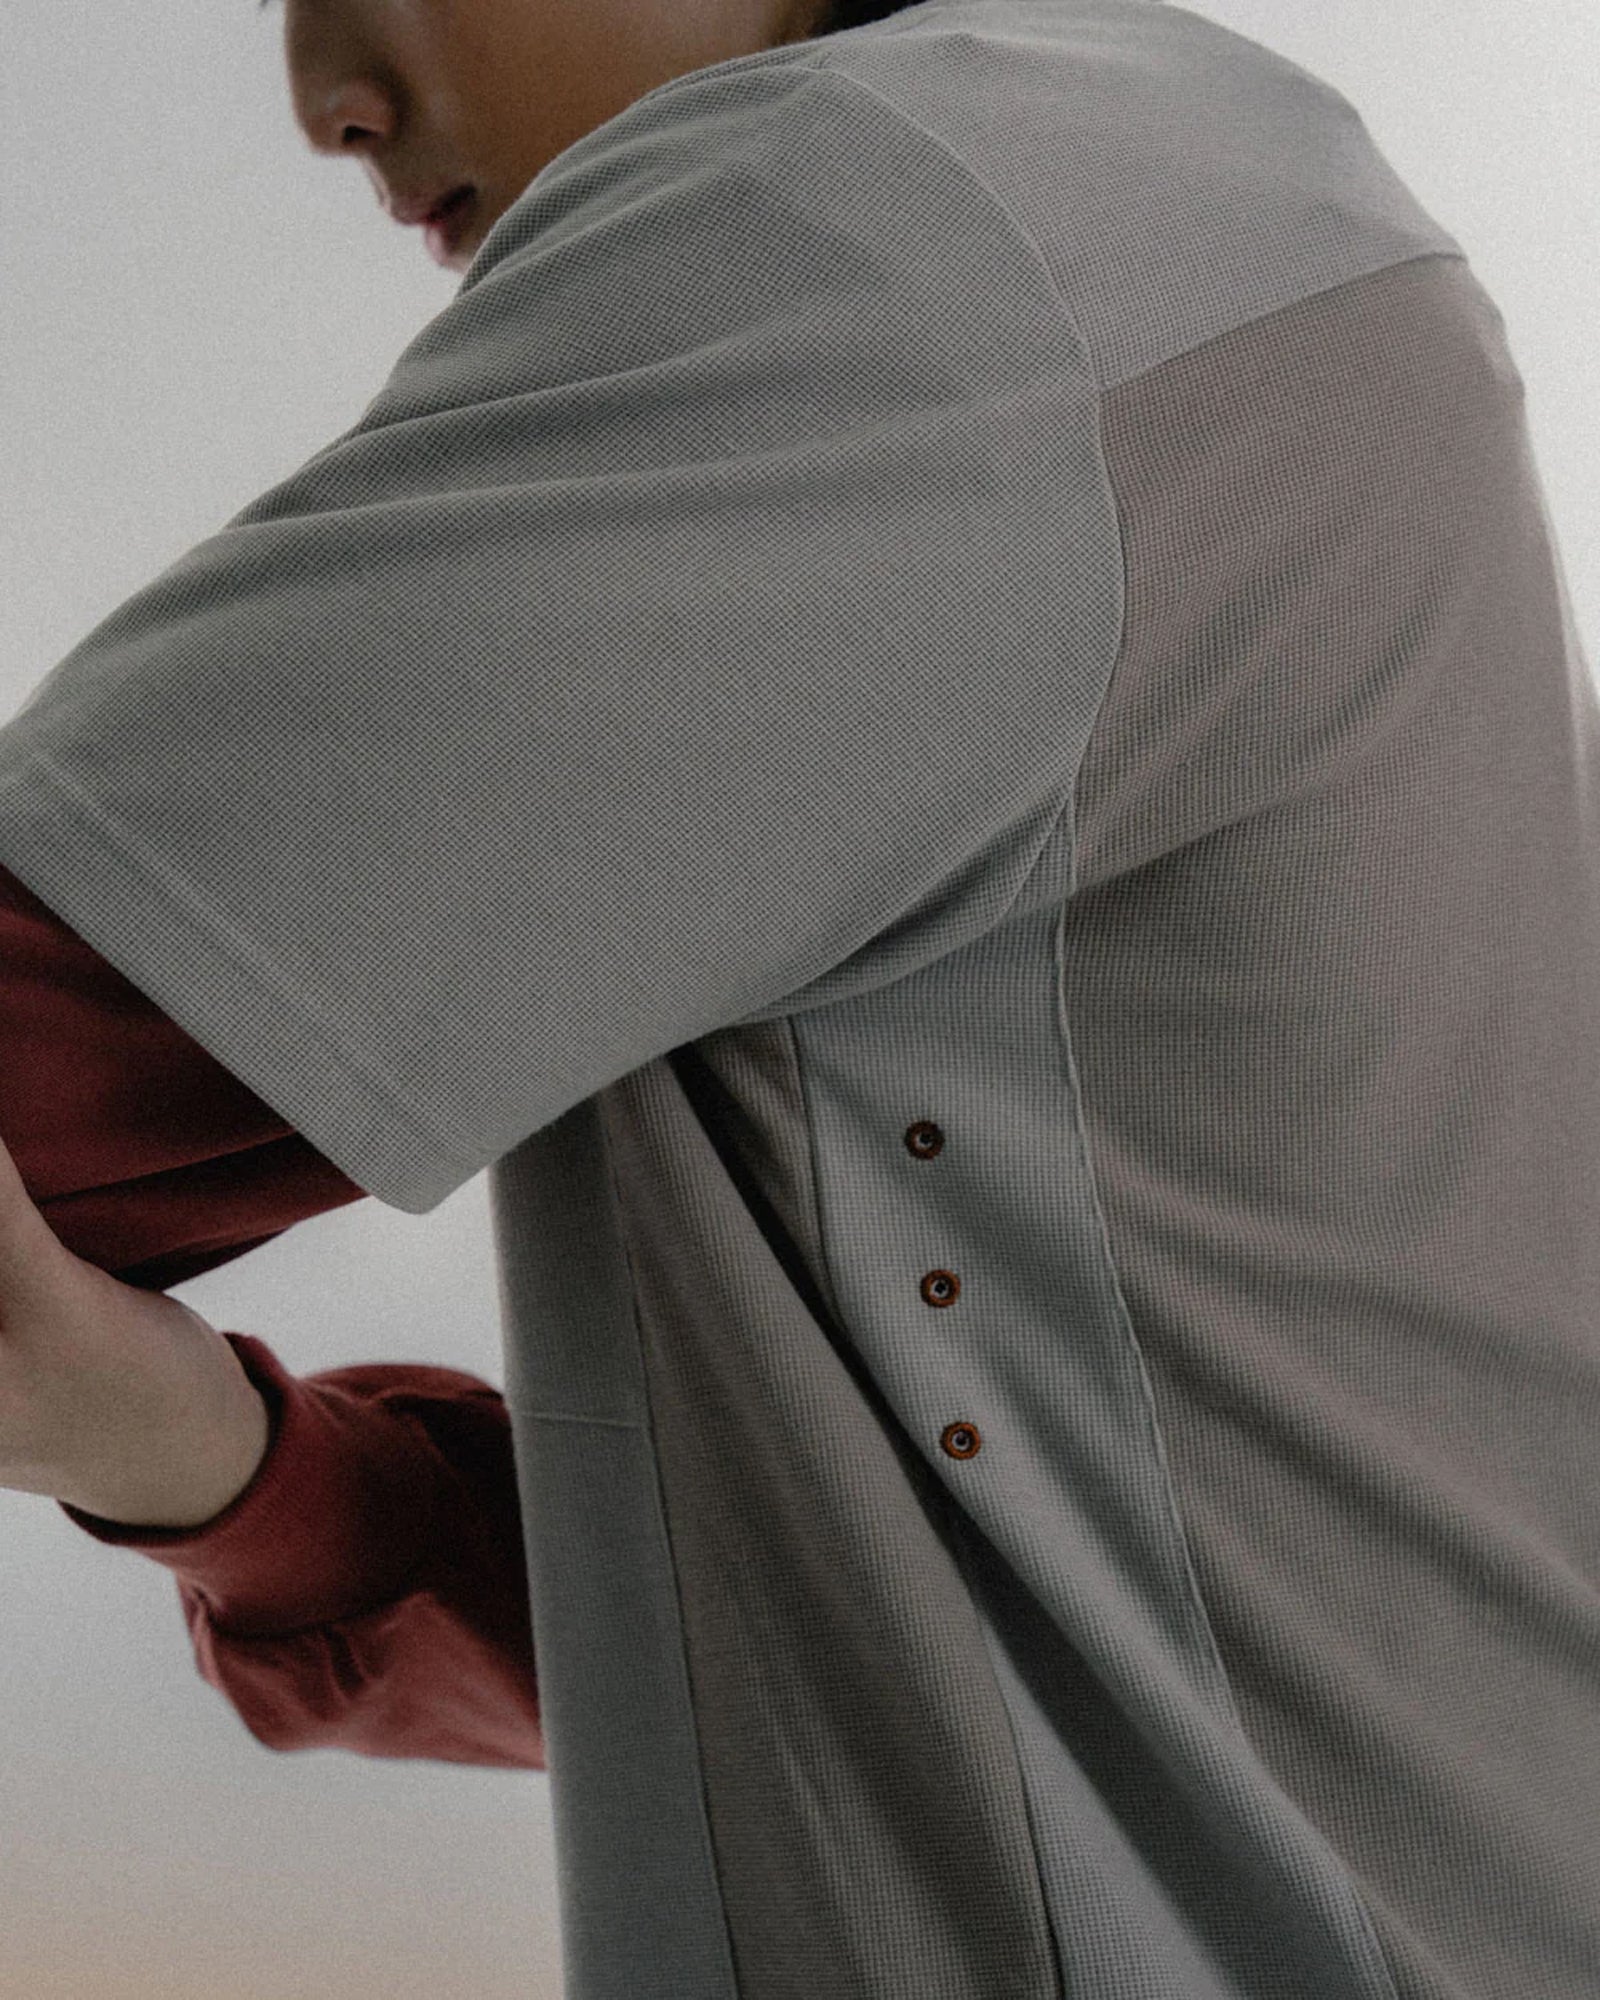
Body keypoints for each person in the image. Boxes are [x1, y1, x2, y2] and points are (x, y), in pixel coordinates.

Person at [1, 1, 1596, 1994]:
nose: (324, 95)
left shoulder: (889, 232)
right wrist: (208, 1464)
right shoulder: (1239, 207)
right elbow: (1009, 1599)